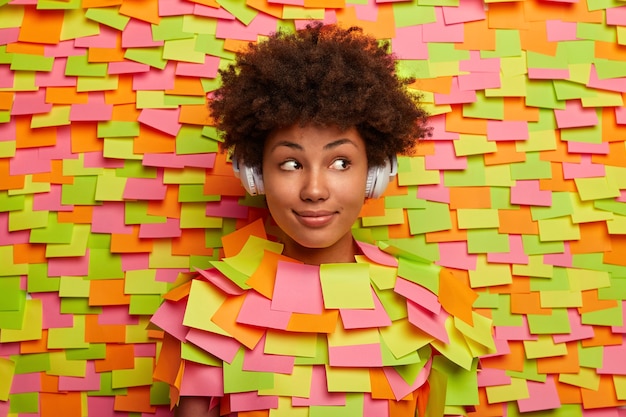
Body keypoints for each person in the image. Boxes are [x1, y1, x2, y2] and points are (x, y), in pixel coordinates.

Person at [152, 22, 491, 417]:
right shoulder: (207, 306)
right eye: (291, 163)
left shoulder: (431, 307)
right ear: (255, 174)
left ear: (377, 172)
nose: (314, 189)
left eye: (341, 162)